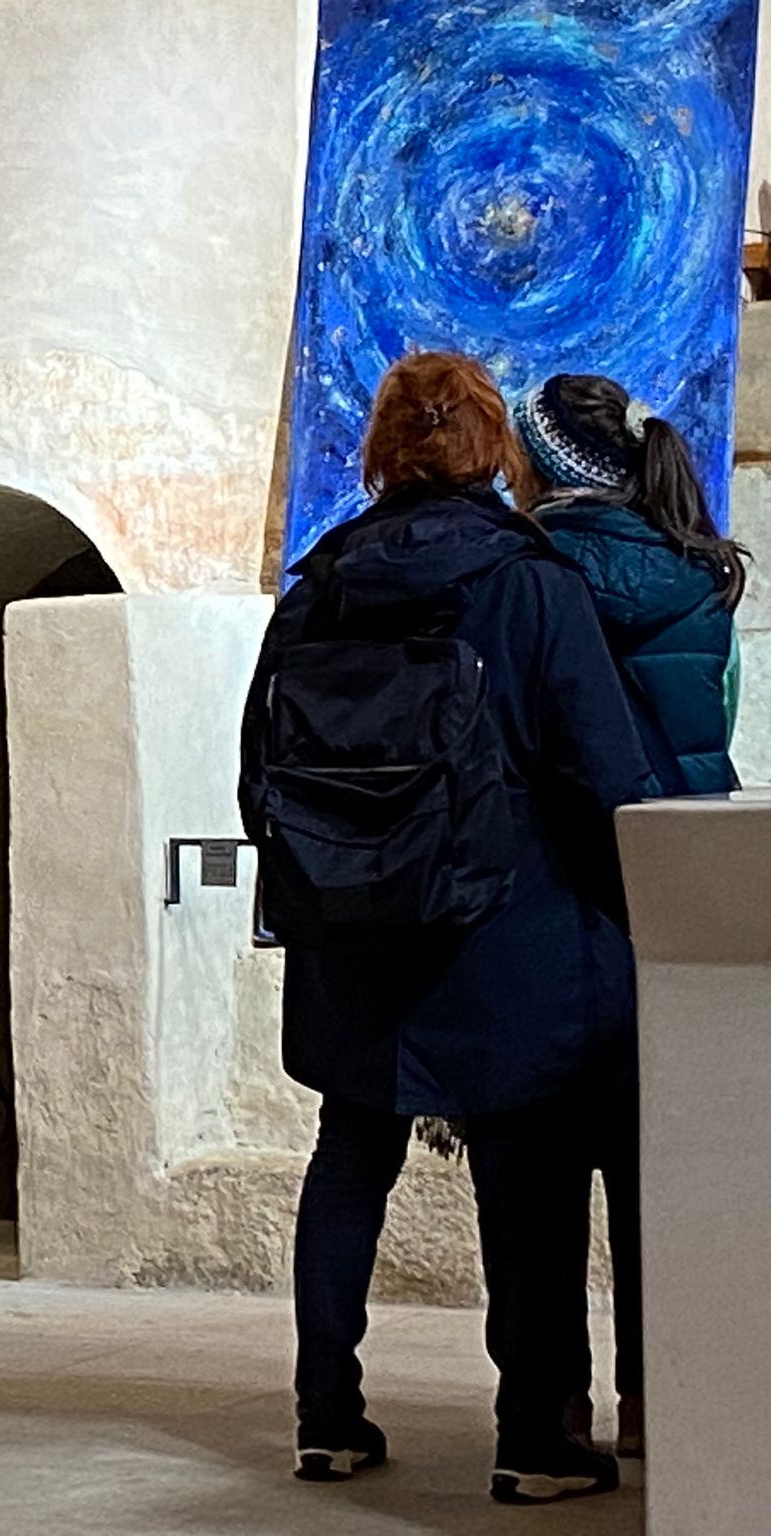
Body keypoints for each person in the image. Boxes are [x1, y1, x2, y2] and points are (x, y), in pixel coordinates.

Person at [240, 352, 649, 1504]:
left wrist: (332, 878)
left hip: (350, 931)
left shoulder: (317, 585)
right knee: (525, 1180)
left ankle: (324, 1417)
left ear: (381, 451)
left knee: (346, 1156)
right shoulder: (529, 583)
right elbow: (604, 775)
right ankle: (533, 1441)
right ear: (492, 450)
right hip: (503, 935)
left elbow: (256, 769)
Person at [515, 373, 750, 1459]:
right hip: (674, 897)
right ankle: (661, 1408)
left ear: (543, 467)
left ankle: (553, 1416)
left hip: (553, 894)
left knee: (540, 1178)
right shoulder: (701, 573)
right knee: (659, 1175)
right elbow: (710, 736)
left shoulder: (530, 578)